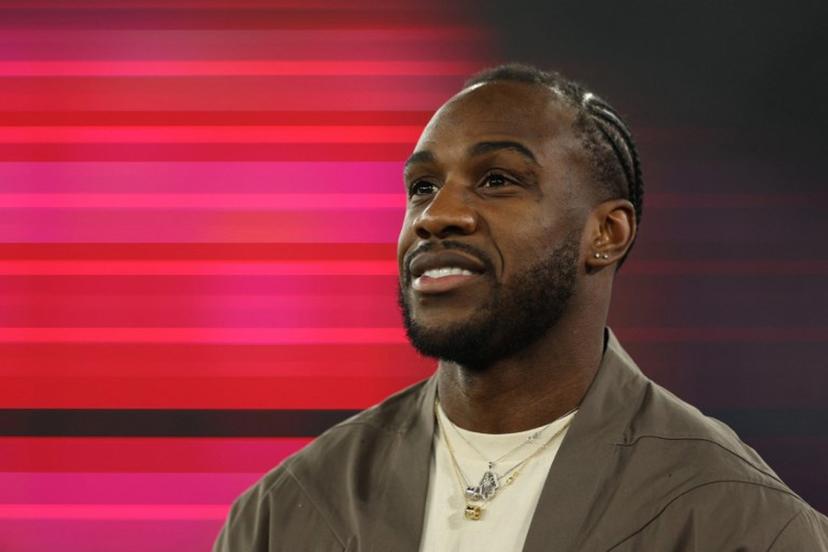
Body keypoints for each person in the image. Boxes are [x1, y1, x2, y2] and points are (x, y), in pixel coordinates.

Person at [213, 64, 828, 551]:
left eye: (497, 180)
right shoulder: (284, 511)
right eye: (423, 187)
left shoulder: (735, 518)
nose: (435, 216)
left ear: (606, 233)